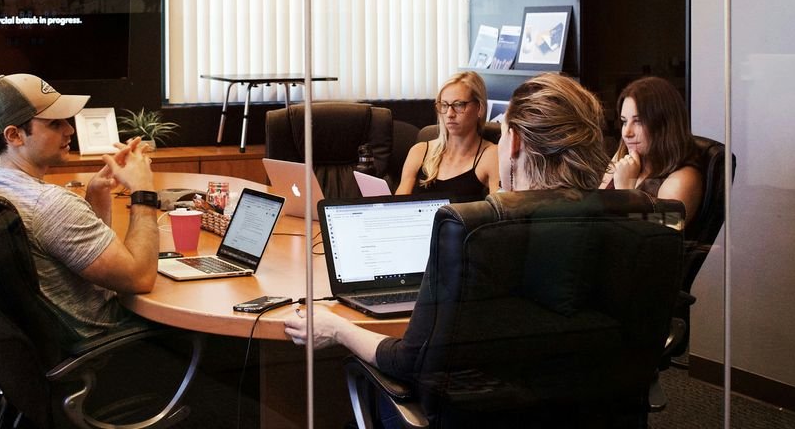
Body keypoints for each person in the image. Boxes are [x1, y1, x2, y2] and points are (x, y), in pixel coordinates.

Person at [285, 72, 609, 377]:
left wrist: (337, 328)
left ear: (515, 144)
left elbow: (408, 359)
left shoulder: (474, 241)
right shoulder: (629, 225)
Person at [0, 73, 160, 338]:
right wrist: (143, 191)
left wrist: (96, 194)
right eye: (54, 124)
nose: (70, 129)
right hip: (110, 341)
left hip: (52, 342)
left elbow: (78, 254)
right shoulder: (49, 205)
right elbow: (139, 278)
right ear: (15, 135)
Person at [603, 76, 703, 224]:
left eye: (638, 121)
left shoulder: (683, 179)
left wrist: (625, 191)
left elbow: (656, 238)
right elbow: (593, 210)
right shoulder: (624, 156)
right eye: (624, 122)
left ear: (664, 124)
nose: (627, 133)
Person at [395, 71, 498, 200]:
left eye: (458, 105)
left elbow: (501, 212)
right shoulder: (419, 151)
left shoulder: (491, 155)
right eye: (444, 105)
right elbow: (397, 207)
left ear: (480, 108)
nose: (449, 113)